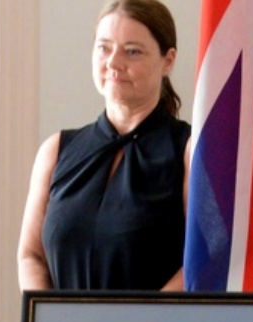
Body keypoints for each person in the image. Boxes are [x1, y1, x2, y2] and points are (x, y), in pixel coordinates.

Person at [17, 0, 190, 291]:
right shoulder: (55, 149)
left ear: (168, 60)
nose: (113, 63)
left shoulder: (190, 152)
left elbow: (203, 262)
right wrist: (49, 321)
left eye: (132, 51)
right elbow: (31, 256)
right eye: (104, 47)